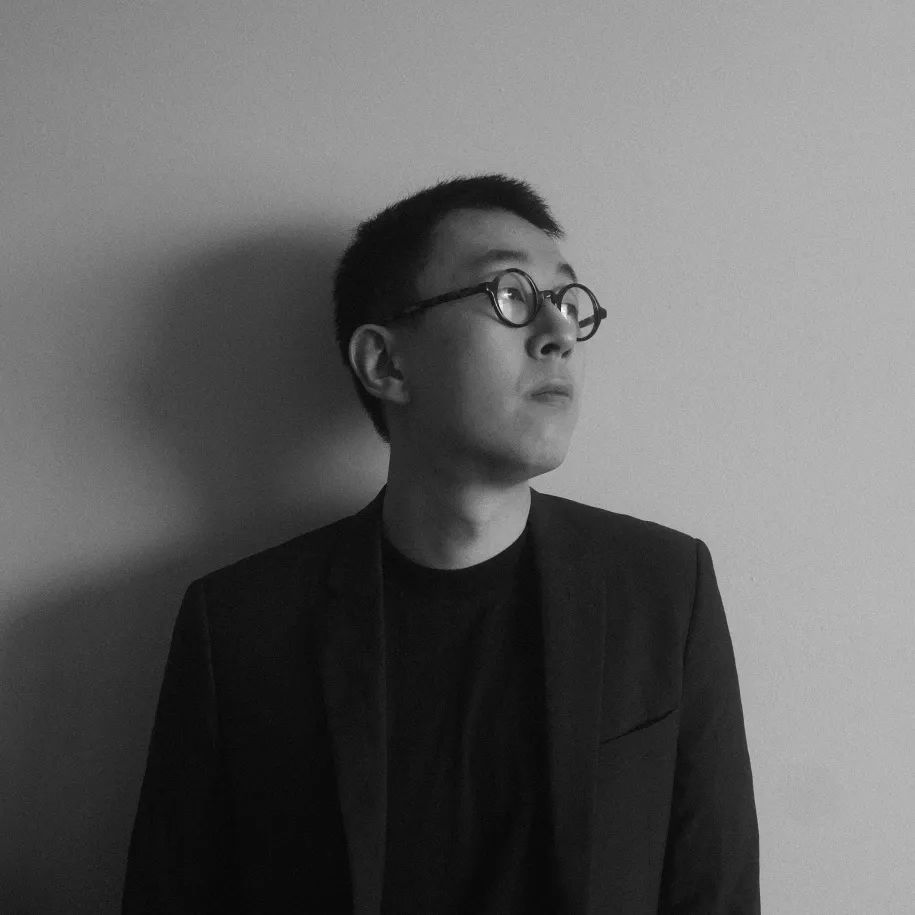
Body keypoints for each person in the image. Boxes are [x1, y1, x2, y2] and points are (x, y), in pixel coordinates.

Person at [123, 174, 759, 914]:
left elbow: (714, 890)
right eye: (510, 295)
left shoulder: (664, 589)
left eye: (567, 301)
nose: (557, 333)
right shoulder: (239, 627)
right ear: (386, 364)